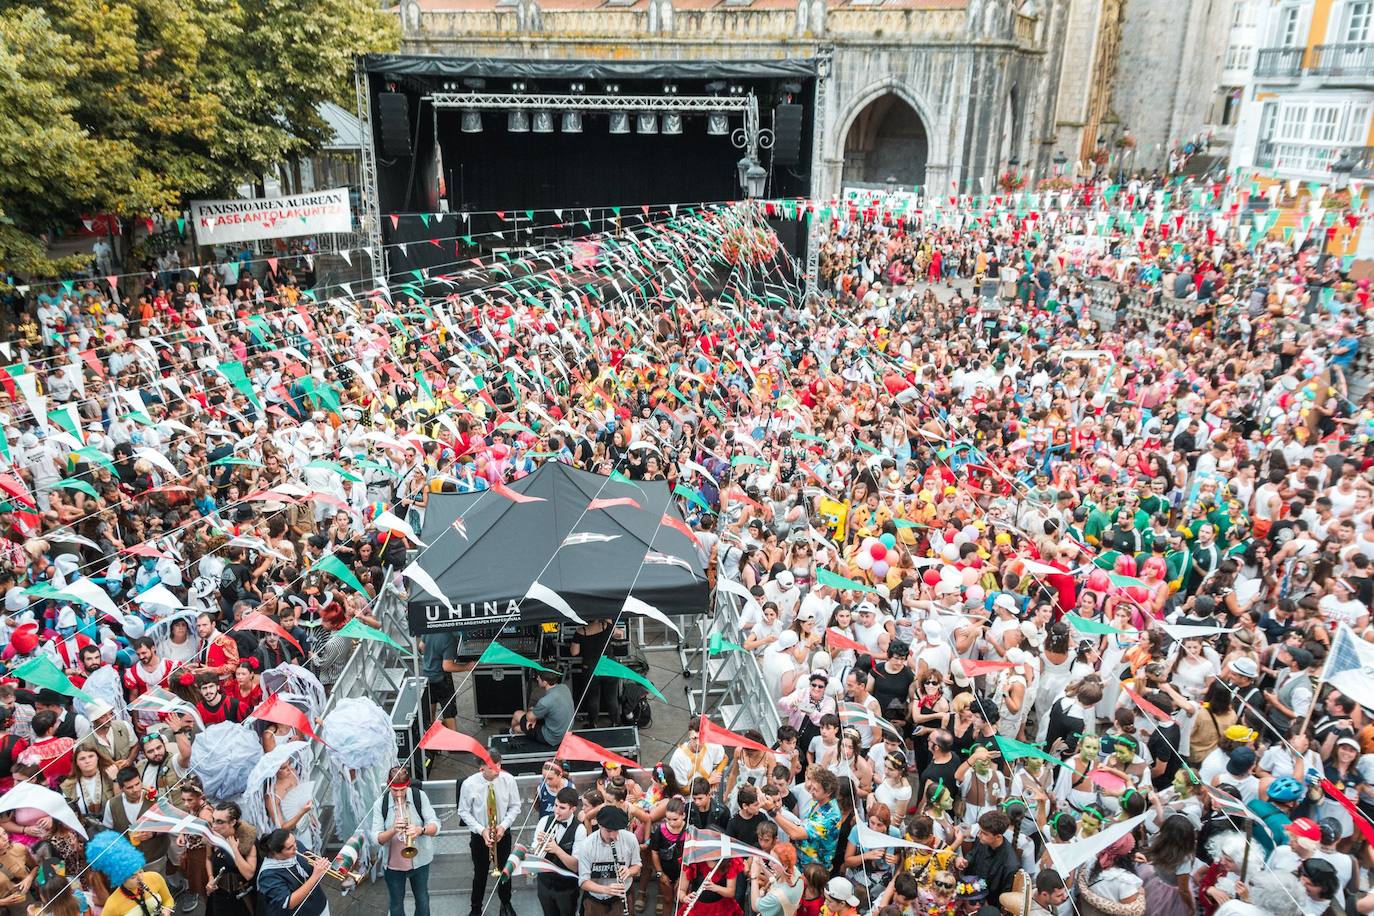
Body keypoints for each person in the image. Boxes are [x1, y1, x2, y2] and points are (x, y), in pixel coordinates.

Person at [371, 766, 440, 916]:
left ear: (408, 785)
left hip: (420, 861)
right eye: (395, 790)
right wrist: (393, 830)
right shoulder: (380, 804)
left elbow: (436, 825)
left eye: (403, 790)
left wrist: (420, 830)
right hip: (393, 866)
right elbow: (376, 839)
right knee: (396, 903)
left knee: (422, 900)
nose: (399, 795)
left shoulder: (419, 796)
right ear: (389, 786)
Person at [458, 752, 520, 916]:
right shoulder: (469, 784)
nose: (498, 770)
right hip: (480, 836)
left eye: (499, 765)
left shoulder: (508, 780)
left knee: (505, 871)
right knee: (480, 873)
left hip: (502, 833)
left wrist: (503, 826)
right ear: (482, 767)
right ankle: (476, 908)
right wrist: (481, 830)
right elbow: (463, 812)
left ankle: (505, 903)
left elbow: (515, 806)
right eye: (493, 767)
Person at [85, 830, 175, 916]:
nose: (140, 878)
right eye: (133, 877)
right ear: (121, 879)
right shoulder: (112, 905)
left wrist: (167, 910)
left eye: (140, 871)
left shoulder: (155, 877)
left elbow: (168, 899)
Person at [577, 804, 641, 916]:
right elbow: (583, 882)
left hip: (622, 895)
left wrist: (629, 871)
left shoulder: (630, 839)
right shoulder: (587, 845)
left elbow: (637, 865)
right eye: (609, 831)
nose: (614, 835)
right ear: (600, 825)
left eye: (616, 830)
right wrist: (606, 890)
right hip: (596, 898)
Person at [533, 786, 582, 916]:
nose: (556, 811)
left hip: (566, 888)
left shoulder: (580, 829)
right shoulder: (544, 821)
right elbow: (534, 853)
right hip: (544, 884)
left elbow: (575, 866)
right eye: (555, 805)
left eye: (562, 808)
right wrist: (538, 844)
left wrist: (556, 849)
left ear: (573, 809)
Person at [256, 828, 329, 916]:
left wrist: (319, 865)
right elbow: (288, 902)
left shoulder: (296, 845)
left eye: (294, 841)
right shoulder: (267, 875)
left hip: (319, 903)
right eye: (289, 848)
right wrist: (315, 876)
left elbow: (311, 864)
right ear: (275, 853)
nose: (296, 848)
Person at [206, 801, 257, 916]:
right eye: (213, 820)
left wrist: (234, 849)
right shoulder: (213, 838)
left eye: (220, 822)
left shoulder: (246, 842)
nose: (214, 826)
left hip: (241, 898)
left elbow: (249, 874)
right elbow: (208, 858)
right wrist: (210, 878)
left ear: (233, 822)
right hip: (219, 896)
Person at [510, 669, 575, 750]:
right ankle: (516, 732)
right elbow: (553, 707)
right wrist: (535, 714)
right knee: (519, 728)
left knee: (517, 714)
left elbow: (529, 717)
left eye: (538, 677)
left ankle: (512, 733)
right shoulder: (564, 687)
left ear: (545, 682)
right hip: (564, 733)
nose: (537, 678)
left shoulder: (545, 701)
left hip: (551, 738)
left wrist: (533, 714)